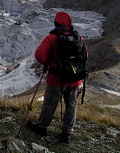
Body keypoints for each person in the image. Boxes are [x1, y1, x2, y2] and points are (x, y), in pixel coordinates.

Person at [28, 11, 86, 143]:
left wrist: (50, 62)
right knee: (71, 105)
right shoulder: (78, 38)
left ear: (56, 23)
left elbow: (39, 55)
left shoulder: (52, 37)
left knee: (50, 102)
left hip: (56, 78)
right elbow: (85, 55)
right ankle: (67, 132)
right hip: (74, 79)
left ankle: (42, 127)